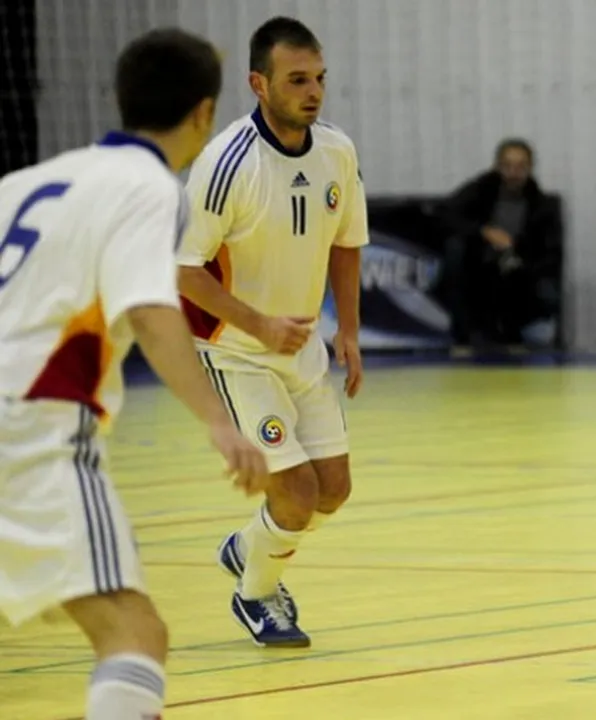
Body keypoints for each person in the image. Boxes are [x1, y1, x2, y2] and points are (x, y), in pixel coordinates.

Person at [0, 28, 269, 720]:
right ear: (205, 113)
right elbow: (150, 310)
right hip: (33, 430)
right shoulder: (149, 188)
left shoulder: (28, 181)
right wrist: (220, 423)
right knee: (135, 635)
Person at [176, 16, 368, 648]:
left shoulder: (337, 150)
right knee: (295, 493)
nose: (313, 92)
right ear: (260, 84)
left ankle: (249, 547)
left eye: (319, 78)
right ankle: (257, 596)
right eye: (296, 80)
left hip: (303, 347)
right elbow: (181, 271)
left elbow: (346, 245)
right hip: (237, 353)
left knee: (332, 492)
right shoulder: (226, 164)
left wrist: (350, 333)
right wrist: (258, 325)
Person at [439, 138, 564, 353]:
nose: (514, 173)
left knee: (526, 276)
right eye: (507, 166)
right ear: (497, 166)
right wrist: (483, 232)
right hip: (476, 260)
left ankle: (511, 334)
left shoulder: (541, 204)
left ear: (530, 168)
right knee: (455, 252)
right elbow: (446, 214)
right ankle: (463, 337)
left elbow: (550, 251)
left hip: (517, 268)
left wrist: (519, 255)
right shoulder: (480, 190)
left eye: (520, 166)